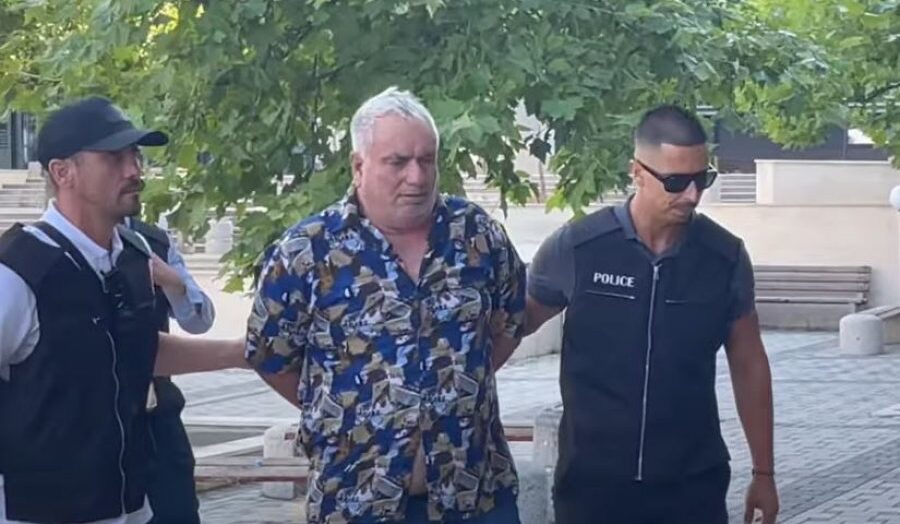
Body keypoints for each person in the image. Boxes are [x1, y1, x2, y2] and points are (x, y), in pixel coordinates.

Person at [245, 87, 527, 524]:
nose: (416, 177)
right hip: (356, 500)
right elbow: (271, 357)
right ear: (358, 166)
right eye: (398, 162)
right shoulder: (307, 252)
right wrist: (350, 412)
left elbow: (508, 325)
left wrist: (450, 391)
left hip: (474, 497)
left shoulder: (477, 236)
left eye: (427, 160)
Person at [525, 105, 779, 524]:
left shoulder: (724, 258)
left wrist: (764, 474)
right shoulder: (579, 248)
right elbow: (512, 328)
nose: (692, 195)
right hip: (593, 487)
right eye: (676, 182)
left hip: (692, 485)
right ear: (637, 172)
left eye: (702, 179)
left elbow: (749, 363)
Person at [0, 96, 244, 524]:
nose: (134, 170)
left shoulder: (134, 254)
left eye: (135, 155)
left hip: (132, 505)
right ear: (63, 172)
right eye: (114, 157)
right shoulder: (21, 268)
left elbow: (133, 348)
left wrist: (242, 353)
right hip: (41, 510)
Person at [125, 215, 215, 524]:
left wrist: (173, 283)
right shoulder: (47, 248)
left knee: (175, 508)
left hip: (154, 410)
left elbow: (199, 320)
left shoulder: (154, 241)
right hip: (84, 417)